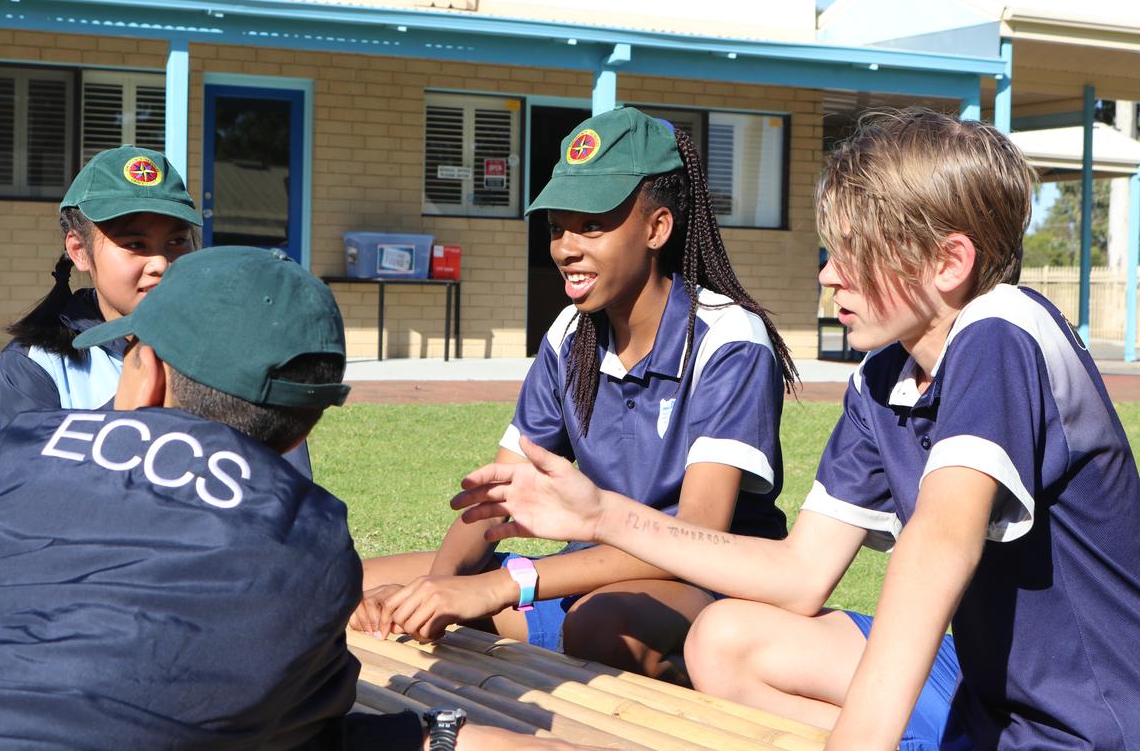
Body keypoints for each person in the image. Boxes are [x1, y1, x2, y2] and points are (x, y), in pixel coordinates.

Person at [453, 109, 1140, 750]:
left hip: (1095, 722)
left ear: (948, 263)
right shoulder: (884, 380)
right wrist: (602, 514)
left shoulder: (1004, 327)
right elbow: (799, 573)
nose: (827, 274)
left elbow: (939, 542)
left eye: (852, 251)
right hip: (988, 693)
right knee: (724, 637)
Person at [0, 245, 586, 751]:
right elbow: (304, 722)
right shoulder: (312, 541)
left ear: (150, 374)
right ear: (304, 430)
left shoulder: (20, 448)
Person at [355, 107, 798, 684]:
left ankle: (707, 680)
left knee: (601, 627)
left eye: (591, 226)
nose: (566, 247)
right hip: (588, 573)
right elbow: (500, 495)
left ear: (657, 229)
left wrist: (499, 586)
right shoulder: (571, 334)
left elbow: (699, 537)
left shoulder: (729, 338)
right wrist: (436, 592)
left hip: (702, 585)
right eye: (556, 227)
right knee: (354, 583)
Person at [0, 144, 312, 476]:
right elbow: (29, 488)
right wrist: (136, 406)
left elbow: (286, 487)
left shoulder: (241, 351)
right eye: (135, 245)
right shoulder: (36, 363)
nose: (160, 263)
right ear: (79, 250)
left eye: (177, 241)